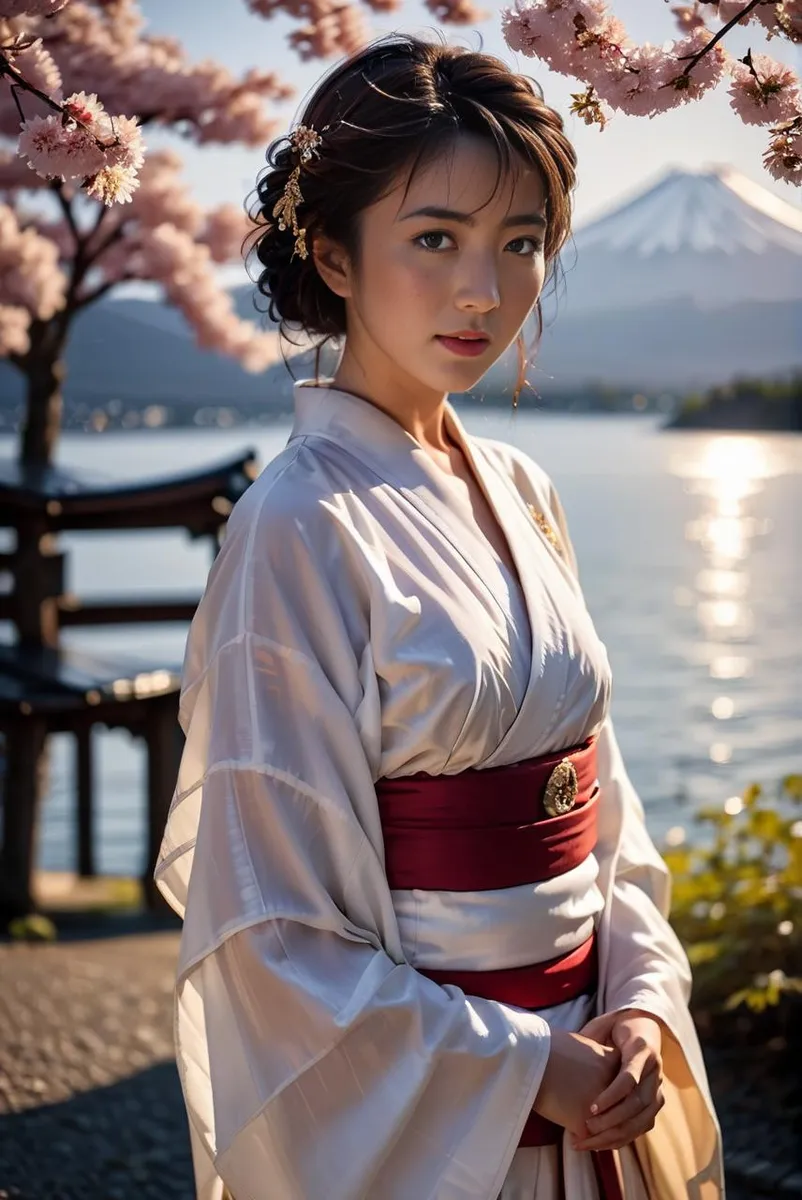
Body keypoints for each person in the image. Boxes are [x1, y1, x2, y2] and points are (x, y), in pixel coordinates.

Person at [155, 34, 723, 1200]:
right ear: (333, 254)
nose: (485, 290)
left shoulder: (523, 491)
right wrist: (530, 1067)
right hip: (457, 1122)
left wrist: (634, 1003)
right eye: (434, 239)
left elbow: (602, 819)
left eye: (520, 246)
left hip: (592, 1074)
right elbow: (275, 929)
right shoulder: (294, 528)